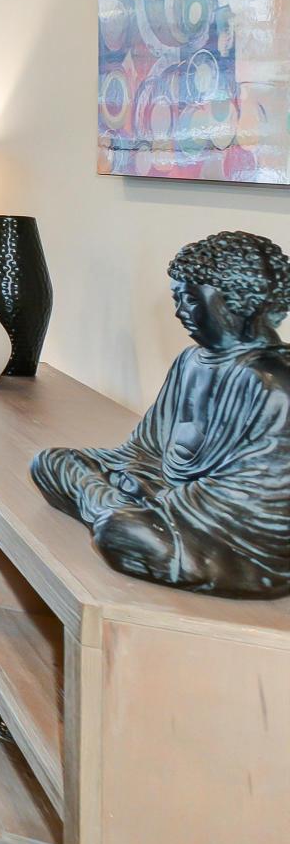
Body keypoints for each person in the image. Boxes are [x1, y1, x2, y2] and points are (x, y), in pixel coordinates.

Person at [31, 230, 290, 599]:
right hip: (166, 496)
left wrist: (153, 506)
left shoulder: (274, 382)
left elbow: (253, 499)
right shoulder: (190, 361)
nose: (180, 312)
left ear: (237, 300)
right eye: (176, 299)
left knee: (120, 533)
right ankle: (113, 510)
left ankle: (111, 512)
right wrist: (135, 483)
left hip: (230, 537)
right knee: (51, 462)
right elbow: (146, 449)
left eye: (189, 299)